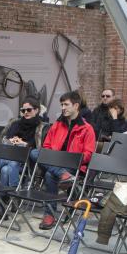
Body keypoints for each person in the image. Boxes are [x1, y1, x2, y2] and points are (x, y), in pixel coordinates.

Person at [30, 91, 96, 230]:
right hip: (56, 162)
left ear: (76, 105)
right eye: (61, 105)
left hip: (73, 165)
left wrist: (68, 160)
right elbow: (46, 146)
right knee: (35, 152)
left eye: (66, 104)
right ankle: (63, 175)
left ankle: (50, 214)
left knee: (49, 174)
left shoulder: (87, 128)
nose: (63, 108)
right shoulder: (57, 125)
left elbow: (88, 155)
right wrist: (55, 159)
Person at [0, 97, 46, 218]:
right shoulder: (15, 123)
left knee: (7, 169)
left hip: (24, 161)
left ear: (37, 110)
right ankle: (14, 196)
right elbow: (5, 139)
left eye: (29, 110)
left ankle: (1, 199)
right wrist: (11, 140)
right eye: (23, 110)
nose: (26, 113)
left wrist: (24, 144)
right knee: (10, 163)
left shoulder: (41, 127)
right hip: (6, 156)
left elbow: (38, 148)